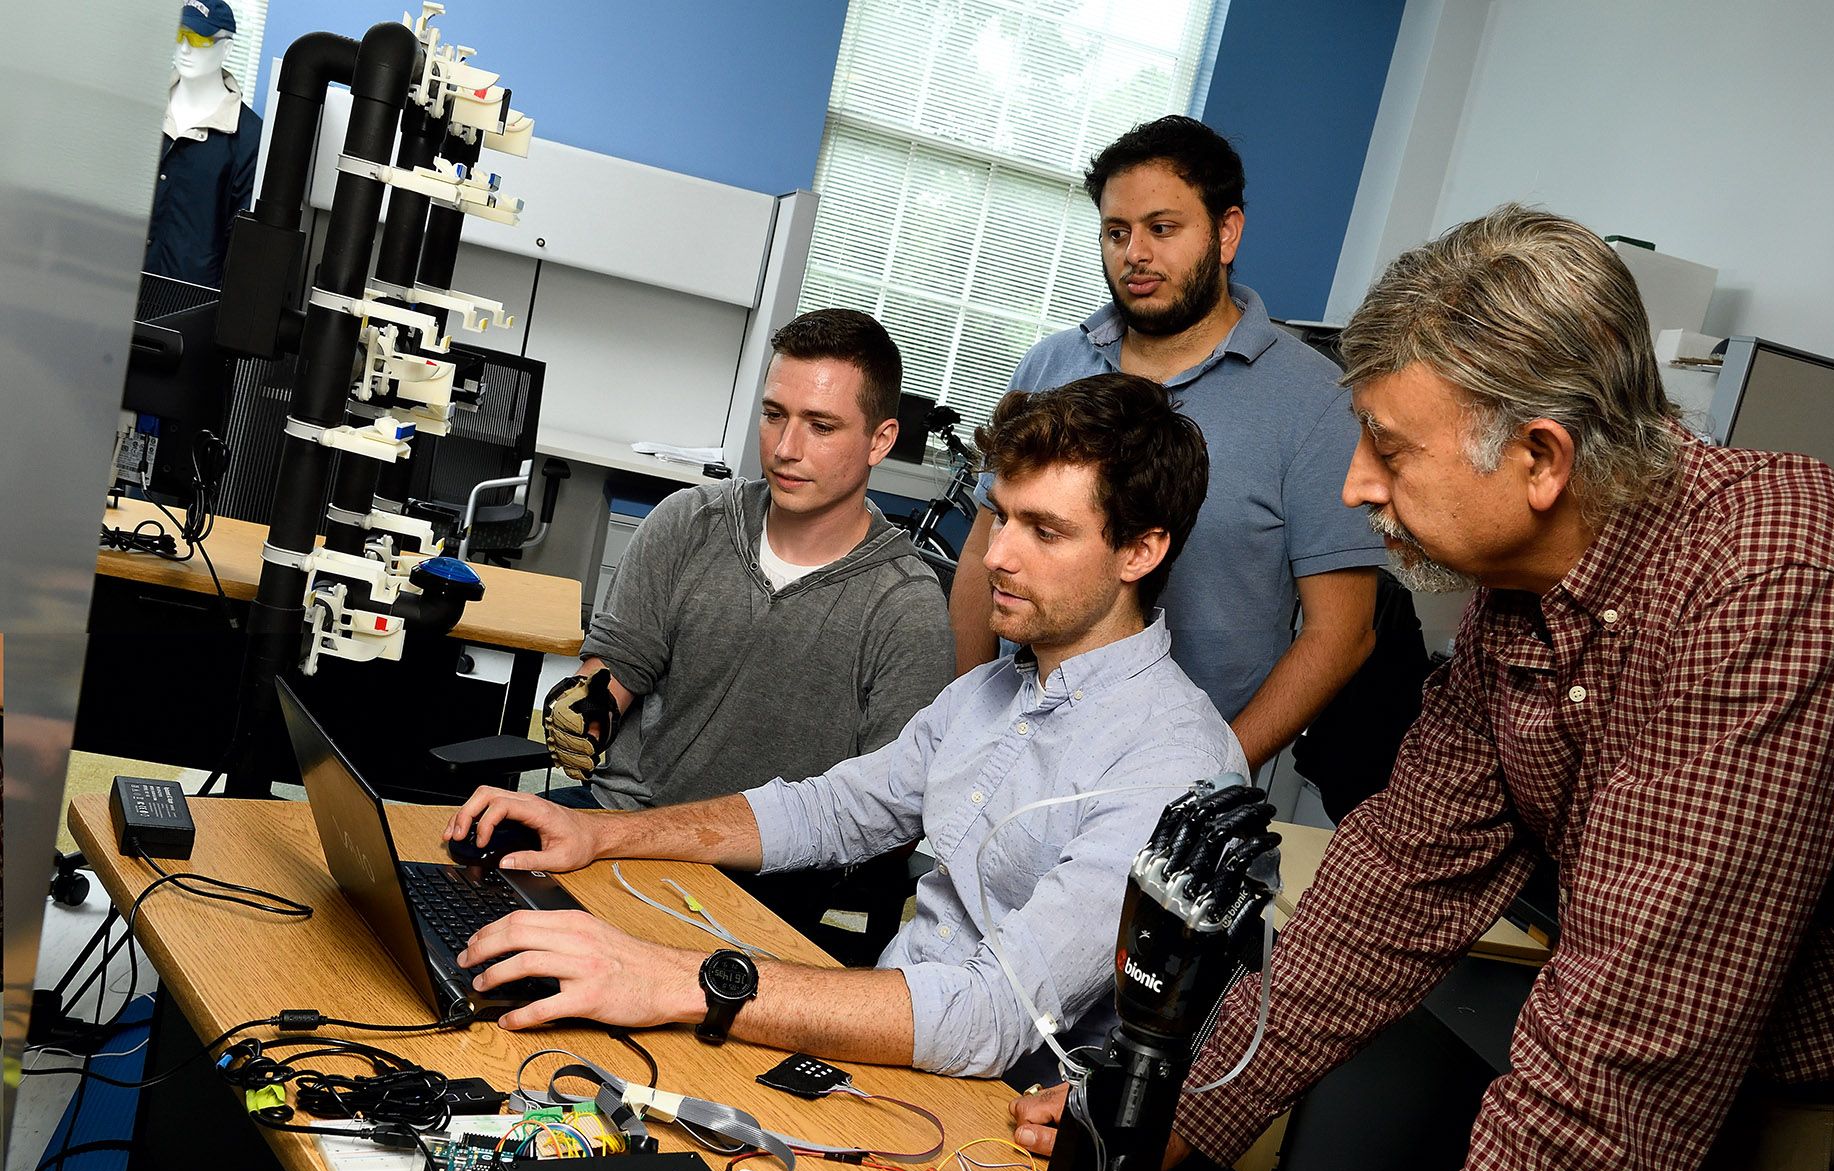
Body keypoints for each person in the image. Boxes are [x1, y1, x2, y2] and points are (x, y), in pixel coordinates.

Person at [1013, 206, 1834, 1171]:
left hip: (1824, 1123)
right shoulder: (1524, 592)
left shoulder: (1777, 591)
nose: (1353, 486)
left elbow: (1620, 1056)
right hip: (1668, 1069)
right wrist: (1163, 1110)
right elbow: (1389, 888)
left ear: (1538, 458)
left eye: (1388, 446)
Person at [451, 373, 1245, 1084]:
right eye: (999, 516)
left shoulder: (1173, 766)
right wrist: (601, 834)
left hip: (983, 1116)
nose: (997, 555)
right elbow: (827, 809)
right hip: (886, 1060)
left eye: (1044, 531)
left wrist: (673, 978)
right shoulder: (995, 691)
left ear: (1141, 550)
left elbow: (989, 1016)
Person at [946, 116, 1383, 771]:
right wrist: (966, 723)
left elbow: (1341, 634)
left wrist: (1208, 779)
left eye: (1162, 228)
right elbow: (985, 550)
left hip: (1180, 783)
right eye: (1116, 232)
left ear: (1226, 231)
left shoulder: (1319, 403)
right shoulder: (1050, 367)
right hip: (1016, 756)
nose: (1135, 255)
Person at [538, 308, 954, 959]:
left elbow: (890, 816)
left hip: (769, 886)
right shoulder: (687, 523)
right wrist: (585, 707)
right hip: (621, 829)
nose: (786, 448)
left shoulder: (906, 608)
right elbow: (615, 668)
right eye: (773, 414)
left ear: (880, 439)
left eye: (821, 426)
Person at [148, 2, 263, 286]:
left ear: (226, 49)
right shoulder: (143, 106)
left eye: (199, 38)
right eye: (180, 34)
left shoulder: (248, 136)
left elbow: (242, 244)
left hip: (185, 308)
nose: (185, 49)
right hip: (113, 289)